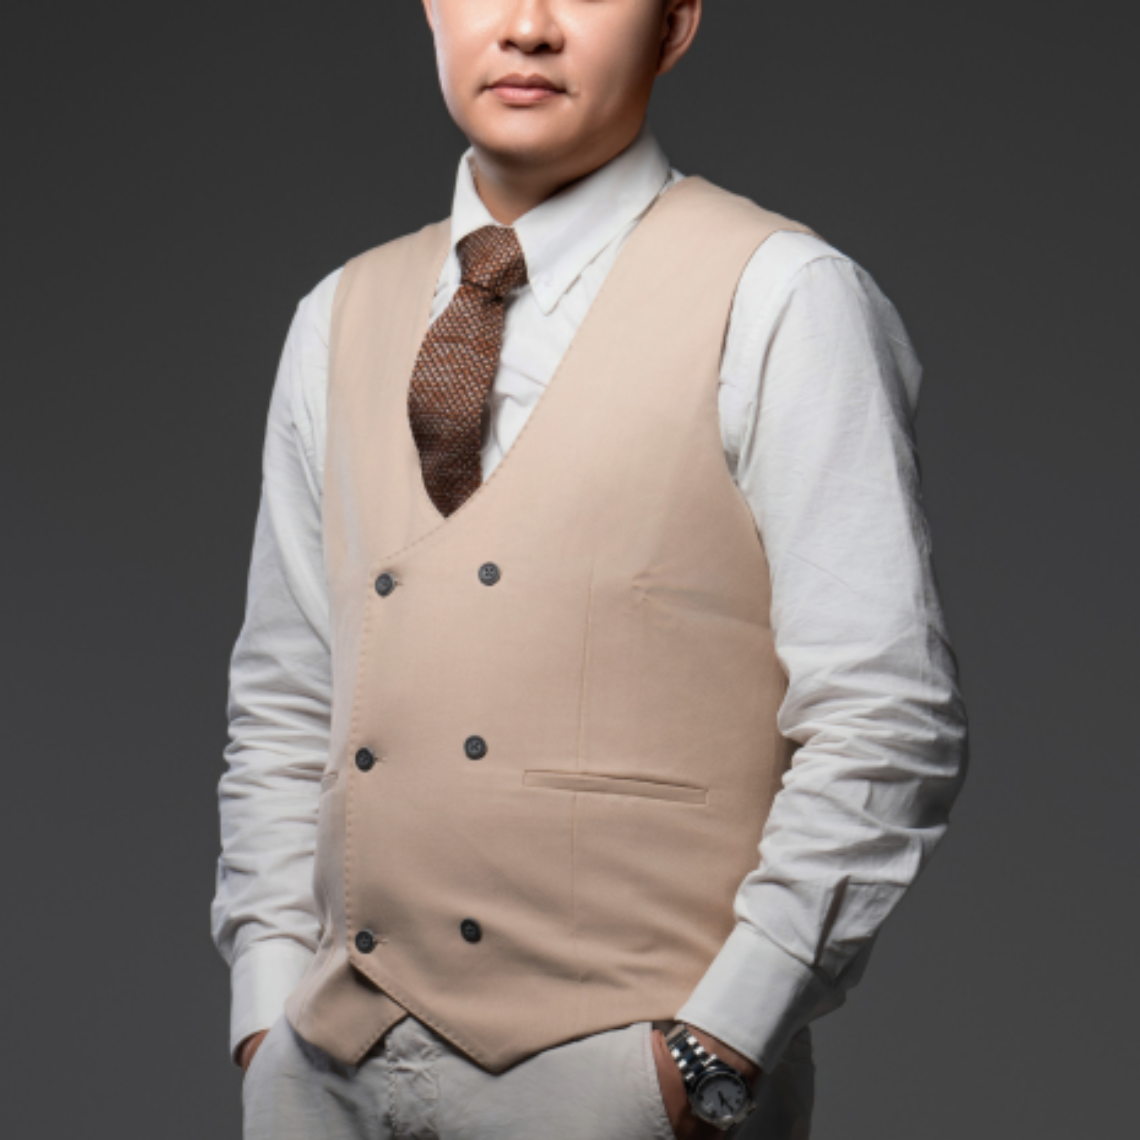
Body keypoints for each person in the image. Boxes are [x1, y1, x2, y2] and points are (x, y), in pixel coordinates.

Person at [211, 2, 969, 1137]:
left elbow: (888, 713)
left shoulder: (780, 295)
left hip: (622, 1078)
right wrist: (267, 1014)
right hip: (331, 1072)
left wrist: (717, 1050)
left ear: (676, 22)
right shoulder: (338, 315)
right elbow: (285, 698)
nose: (527, 26)